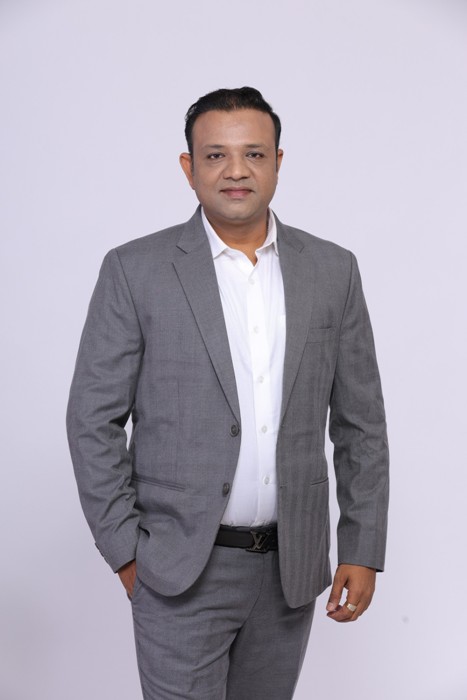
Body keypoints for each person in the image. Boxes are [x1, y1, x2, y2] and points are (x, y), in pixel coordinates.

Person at [67, 86, 389, 700]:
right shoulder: (135, 270)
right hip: (179, 570)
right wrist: (128, 553)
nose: (236, 170)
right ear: (188, 167)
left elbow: (361, 425)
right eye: (216, 155)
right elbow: (92, 420)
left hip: (290, 570)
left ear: (278, 162)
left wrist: (362, 546)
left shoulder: (333, 270)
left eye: (254, 154)